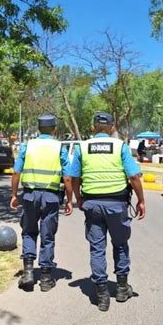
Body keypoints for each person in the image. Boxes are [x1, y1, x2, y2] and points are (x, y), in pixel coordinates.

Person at [64, 112, 146, 312]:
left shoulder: (83, 147)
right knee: (120, 244)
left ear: (93, 128)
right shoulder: (120, 146)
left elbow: (73, 178)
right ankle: (121, 288)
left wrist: (78, 198)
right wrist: (141, 200)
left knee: (97, 248)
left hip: (92, 204)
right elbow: (134, 176)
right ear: (111, 127)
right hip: (117, 204)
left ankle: (101, 295)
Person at [10, 114, 73, 292]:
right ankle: (46, 277)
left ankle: (28, 272)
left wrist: (14, 195)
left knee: (29, 231)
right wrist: (70, 200)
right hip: (51, 197)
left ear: (38, 129)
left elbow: (16, 173)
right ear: (54, 129)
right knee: (48, 235)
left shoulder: (27, 145)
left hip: (29, 195)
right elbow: (67, 178)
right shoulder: (59, 147)